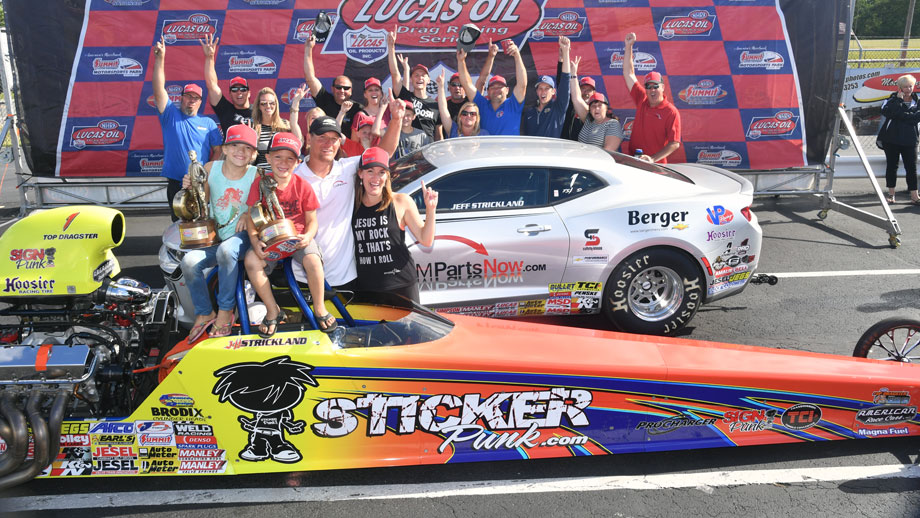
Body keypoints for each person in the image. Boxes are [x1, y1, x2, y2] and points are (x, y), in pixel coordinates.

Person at [293, 100, 404, 292]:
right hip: (301, 276)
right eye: (322, 137)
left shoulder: (348, 168)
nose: (329, 144)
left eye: (334, 139)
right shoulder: (294, 177)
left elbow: (383, 153)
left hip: (344, 277)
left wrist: (396, 119)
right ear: (309, 138)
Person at [242, 132, 333, 337]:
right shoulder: (260, 184)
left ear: (297, 162)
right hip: (270, 240)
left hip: (297, 239)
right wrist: (255, 241)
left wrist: (308, 237)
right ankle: (272, 310)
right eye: (278, 157)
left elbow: (312, 221)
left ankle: (319, 308)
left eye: (290, 158)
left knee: (313, 260)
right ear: (268, 158)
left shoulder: (302, 186)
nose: (283, 163)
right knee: (251, 261)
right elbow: (250, 217)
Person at [180, 125, 260, 341]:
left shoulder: (255, 174)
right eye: (235, 146)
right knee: (188, 262)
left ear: (254, 154)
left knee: (226, 250)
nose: (240, 151)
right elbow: (201, 201)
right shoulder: (210, 168)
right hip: (216, 237)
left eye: (247, 148)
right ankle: (205, 312)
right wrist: (191, 187)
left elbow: (261, 206)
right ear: (224, 149)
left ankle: (225, 310)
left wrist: (248, 214)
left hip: (243, 239)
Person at [353, 147, 438, 302]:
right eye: (370, 171)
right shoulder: (351, 206)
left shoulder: (401, 201)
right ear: (361, 174)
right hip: (367, 289)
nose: (376, 178)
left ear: (387, 175)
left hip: (401, 285)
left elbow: (426, 240)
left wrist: (430, 210)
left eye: (381, 172)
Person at [152, 38, 223, 221]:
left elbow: (219, 150)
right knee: (179, 225)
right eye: (188, 96)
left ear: (200, 102)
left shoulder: (208, 123)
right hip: (177, 183)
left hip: (202, 183)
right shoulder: (170, 115)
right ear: (181, 98)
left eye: (195, 98)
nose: (191, 100)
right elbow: (158, 89)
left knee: (204, 222)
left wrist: (206, 171)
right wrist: (160, 59)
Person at [622, 32, 681, 163]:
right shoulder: (642, 98)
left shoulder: (671, 111)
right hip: (634, 161)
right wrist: (628, 46)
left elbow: (674, 143)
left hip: (655, 166)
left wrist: (652, 159)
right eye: (648, 86)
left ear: (663, 87)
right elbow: (628, 73)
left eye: (655, 86)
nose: (652, 90)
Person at [456, 39, 527, 135]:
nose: (496, 90)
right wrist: (461, 61)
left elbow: (522, 85)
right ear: (488, 91)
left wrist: (517, 55)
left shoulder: (513, 104)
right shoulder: (481, 104)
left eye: (500, 87)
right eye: (493, 87)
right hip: (485, 145)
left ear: (507, 90)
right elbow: (466, 84)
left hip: (510, 146)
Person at [303, 34, 363, 136]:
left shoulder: (358, 108)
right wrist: (308, 48)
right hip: (325, 143)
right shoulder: (325, 100)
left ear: (351, 90)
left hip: (349, 145)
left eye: (346, 88)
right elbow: (310, 78)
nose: (342, 90)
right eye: (338, 87)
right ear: (333, 88)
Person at [388, 29, 440, 141]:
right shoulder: (405, 96)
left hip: (428, 148)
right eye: (416, 75)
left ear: (428, 80)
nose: (419, 78)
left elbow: (439, 134)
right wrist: (391, 47)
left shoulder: (435, 105)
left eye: (423, 75)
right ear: (411, 79)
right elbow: (395, 74)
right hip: (408, 146)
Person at [880, 74, 920, 203]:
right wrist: (899, 101)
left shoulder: (917, 101)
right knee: (892, 166)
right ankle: (891, 194)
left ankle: (914, 196)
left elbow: (916, 118)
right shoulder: (891, 100)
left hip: (910, 140)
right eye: (905, 87)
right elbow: (887, 112)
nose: (908, 89)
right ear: (900, 88)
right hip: (891, 139)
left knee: (911, 168)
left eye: (910, 86)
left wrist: (900, 115)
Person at [200, 34, 251, 134]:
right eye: (234, 90)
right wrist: (209, 57)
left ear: (249, 93)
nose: (239, 92)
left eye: (243, 89)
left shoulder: (259, 110)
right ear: (230, 94)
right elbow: (212, 85)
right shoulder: (225, 109)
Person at [570, 58, 623, 152]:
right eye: (593, 106)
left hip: (599, 161)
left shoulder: (613, 124)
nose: (596, 108)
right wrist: (573, 74)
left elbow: (608, 152)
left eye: (600, 105)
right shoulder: (588, 120)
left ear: (606, 108)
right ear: (589, 109)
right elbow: (576, 98)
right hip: (582, 159)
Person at [523, 36, 572, 137]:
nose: (543, 92)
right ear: (536, 92)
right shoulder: (529, 112)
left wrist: (566, 52)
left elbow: (565, 80)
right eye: (540, 89)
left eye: (547, 89)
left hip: (552, 148)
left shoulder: (558, 108)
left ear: (553, 91)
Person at [251, 86, 304, 168]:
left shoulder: (285, 125)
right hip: (261, 173)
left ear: (276, 104)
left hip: (283, 171)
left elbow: (298, 141)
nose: (268, 106)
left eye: (272, 103)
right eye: (263, 103)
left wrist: (295, 103)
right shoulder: (254, 128)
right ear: (258, 106)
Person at [437, 73, 489, 138]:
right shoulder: (453, 131)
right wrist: (440, 86)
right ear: (460, 117)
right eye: (464, 113)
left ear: (477, 118)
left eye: (472, 114)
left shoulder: (484, 134)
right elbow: (443, 110)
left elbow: (481, 83)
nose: (468, 116)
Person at [561, 74, 596, 141]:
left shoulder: (595, 112)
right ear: (577, 90)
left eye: (589, 90)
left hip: (585, 146)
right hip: (565, 144)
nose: (586, 93)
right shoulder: (568, 105)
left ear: (594, 93)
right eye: (583, 89)